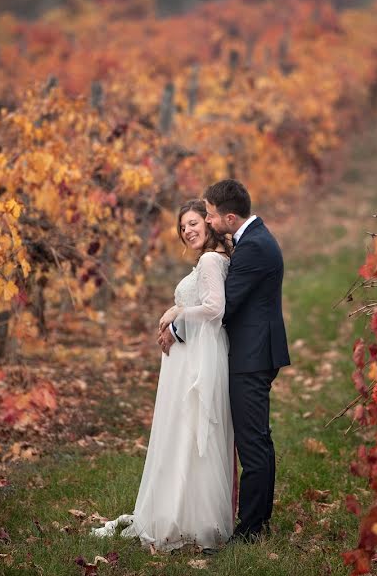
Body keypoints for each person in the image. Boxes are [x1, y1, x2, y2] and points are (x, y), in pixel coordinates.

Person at [92, 200, 235, 552]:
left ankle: (191, 518)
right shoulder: (207, 262)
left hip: (197, 359)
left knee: (191, 429)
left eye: (193, 223)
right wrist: (177, 325)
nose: (187, 230)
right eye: (182, 227)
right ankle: (179, 509)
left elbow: (215, 310)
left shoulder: (210, 261)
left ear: (209, 223)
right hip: (189, 354)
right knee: (182, 432)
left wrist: (176, 313)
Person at [169, 179, 290, 542]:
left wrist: (176, 320)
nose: (206, 220)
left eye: (209, 215)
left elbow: (223, 307)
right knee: (257, 440)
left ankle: (252, 528)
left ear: (230, 217)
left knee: (253, 443)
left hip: (252, 356)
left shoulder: (253, 247)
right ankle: (257, 521)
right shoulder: (252, 240)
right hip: (253, 351)